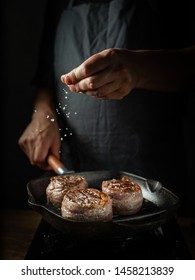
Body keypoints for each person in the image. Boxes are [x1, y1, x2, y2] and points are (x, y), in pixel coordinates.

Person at [18, 0, 194, 213]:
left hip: (153, 178)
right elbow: (45, 79)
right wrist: (42, 116)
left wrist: (139, 69)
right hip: (73, 167)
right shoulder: (57, 4)